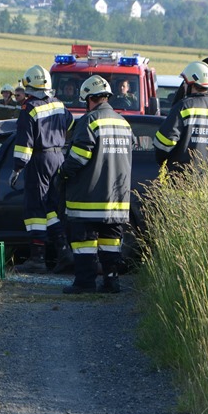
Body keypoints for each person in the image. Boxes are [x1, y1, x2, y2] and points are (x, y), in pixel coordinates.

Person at [59, 75, 133, 294]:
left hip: (88, 198)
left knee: (84, 243)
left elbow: (79, 157)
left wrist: (62, 173)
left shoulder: (90, 121)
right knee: (111, 242)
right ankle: (111, 282)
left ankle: (85, 282)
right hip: (117, 199)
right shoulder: (123, 123)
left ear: (89, 99)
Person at [9, 65, 74, 274]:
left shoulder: (30, 109)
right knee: (52, 208)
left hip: (39, 159)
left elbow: (24, 144)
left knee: (35, 209)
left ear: (29, 85)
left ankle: (37, 258)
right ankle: (64, 252)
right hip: (58, 157)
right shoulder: (59, 105)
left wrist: (17, 168)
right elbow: (71, 125)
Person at [153, 61, 208, 181]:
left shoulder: (184, 107)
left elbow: (163, 144)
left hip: (184, 183)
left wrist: (163, 162)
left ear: (190, 82)